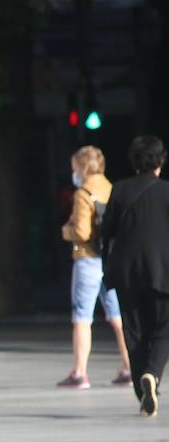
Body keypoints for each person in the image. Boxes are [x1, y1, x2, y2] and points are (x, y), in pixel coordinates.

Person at [101, 135, 169, 418]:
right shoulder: (167, 191)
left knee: (134, 332)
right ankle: (152, 375)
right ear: (160, 161)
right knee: (163, 328)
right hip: (162, 271)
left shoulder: (119, 190)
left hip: (126, 272)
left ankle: (142, 390)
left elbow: (107, 232)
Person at [57, 146, 132, 389]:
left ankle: (79, 372)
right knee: (117, 315)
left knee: (82, 316)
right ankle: (130, 366)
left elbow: (82, 231)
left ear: (83, 167)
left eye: (75, 168)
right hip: (110, 259)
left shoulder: (83, 192)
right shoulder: (111, 189)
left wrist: (65, 231)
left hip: (88, 258)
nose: (74, 173)